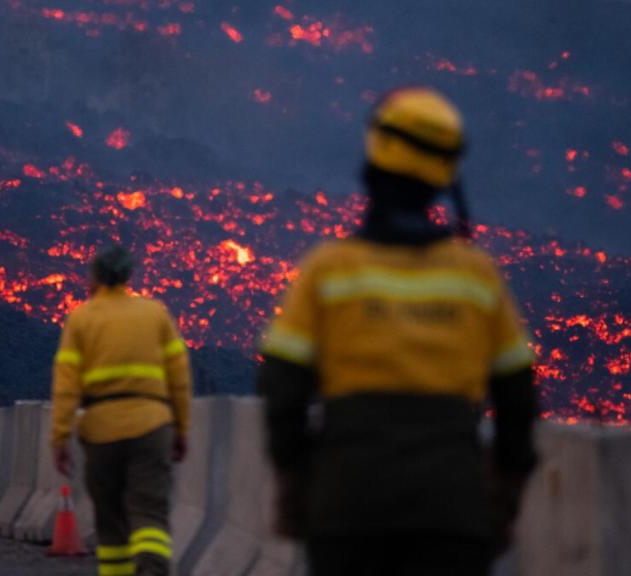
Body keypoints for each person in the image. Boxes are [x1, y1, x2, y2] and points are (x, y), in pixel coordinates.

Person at [257, 87, 539, 576]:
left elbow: (283, 390)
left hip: (347, 509)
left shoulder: (329, 271)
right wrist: (503, 499)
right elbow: (518, 400)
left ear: (373, 161)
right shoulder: (475, 276)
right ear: (445, 175)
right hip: (452, 513)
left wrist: (297, 480)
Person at [51, 245, 192, 576]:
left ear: (95, 278)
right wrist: (181, 429)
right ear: (128, 276)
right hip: (152, 427)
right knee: (150, 514)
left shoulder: (82, 319)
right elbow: (180, 378)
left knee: (111, 521)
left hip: (101, 433)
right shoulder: (155, 314)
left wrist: (60, 437)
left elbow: (67, 386)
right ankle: (153, 569)